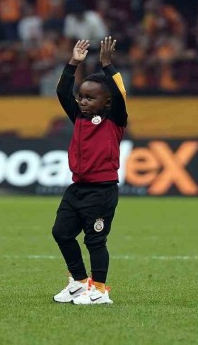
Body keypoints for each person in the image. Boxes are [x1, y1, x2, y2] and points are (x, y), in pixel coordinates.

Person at [52, 36, 128, 305]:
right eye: (81, 97)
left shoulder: (115, 120)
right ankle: (79, 282)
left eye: (90, 98)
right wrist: (73, 63)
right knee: (61, 233)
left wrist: (107, 65)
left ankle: (100, 290)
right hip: (77, 189)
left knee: (95, 241)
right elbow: (62, 92)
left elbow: (120, 94)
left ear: (106, 102)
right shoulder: (79, 117)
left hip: (102, 191)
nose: (83, 102)